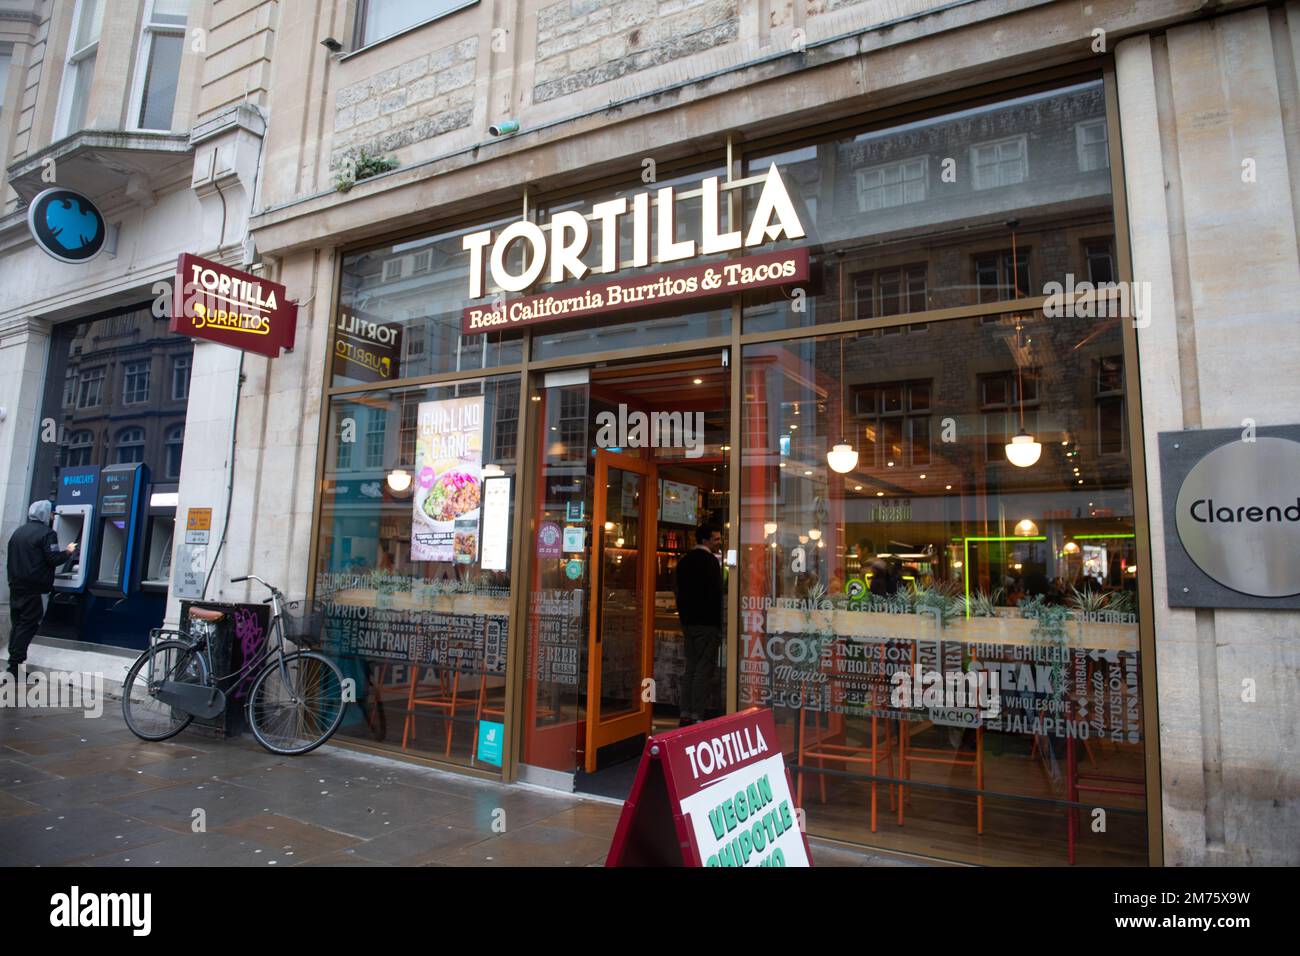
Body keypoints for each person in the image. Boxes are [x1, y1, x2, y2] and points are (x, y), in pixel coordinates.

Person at [5, 500, 76, 680]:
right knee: (28, 625)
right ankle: (14, 667)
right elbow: (53, 559)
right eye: (52, 513)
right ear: (45, 514)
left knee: (18, 624)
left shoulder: (19, 531)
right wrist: (68, 552)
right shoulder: (47, 534)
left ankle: (13, 665)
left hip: (16, 586)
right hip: (35, 589)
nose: (53, 517)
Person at [674, 523, 723, 727]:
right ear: (706, 540)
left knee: (690, 668)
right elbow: (716, 595)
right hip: (707, 623)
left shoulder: (683, 561)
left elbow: (677, 591)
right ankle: (697, 715)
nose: (719, 543)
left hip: (688, 622)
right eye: (716, 539)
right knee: (703, 670)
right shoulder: (711, 562)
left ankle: (685, 712)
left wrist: (684, 617)